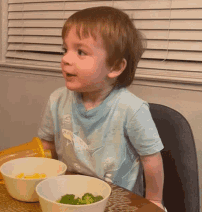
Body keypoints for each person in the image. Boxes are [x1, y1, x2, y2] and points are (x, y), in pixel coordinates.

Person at [38, 6, 166, 211]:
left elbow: (151, 160)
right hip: (69, 197)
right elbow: (46, 146)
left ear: (115, 67)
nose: (65, 59)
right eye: (65, 49)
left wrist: (154, 201)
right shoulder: (57, 100)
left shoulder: (132, 109)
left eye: (80, 52)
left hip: (119, 202)